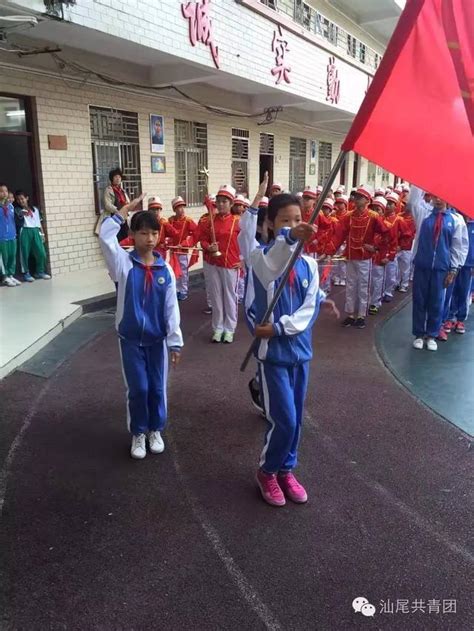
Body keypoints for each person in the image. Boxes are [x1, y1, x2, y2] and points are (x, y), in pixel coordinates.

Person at [242, 193, 323, 506]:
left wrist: (280, 327)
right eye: (285, 220)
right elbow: (252, 301)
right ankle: (267, 471)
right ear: (270, 225)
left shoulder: (311, 266)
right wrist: (290, 237)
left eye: (298, 219)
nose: (293, 224)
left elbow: (309, 310)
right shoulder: (261, 260)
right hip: (272, 357)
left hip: (301, 354)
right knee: (284, 420)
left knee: (297, 420)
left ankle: (286, 469)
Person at [99, 208, 183, 459]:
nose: (149, 238)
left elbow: (171, 309)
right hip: (131, 341)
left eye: (154, 233)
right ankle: (138, 432)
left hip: (157, 342)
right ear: (133, 235)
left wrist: (175, 342)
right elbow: (105, 238)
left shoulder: (165, 270)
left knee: (157, 388)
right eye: (143, 233)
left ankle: (155, 429)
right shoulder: (123, 264)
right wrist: (118, 215)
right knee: (138, 389)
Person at [408, 187, 468, 351]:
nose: (438, 199)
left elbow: (459, 246)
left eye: (442, 196)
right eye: (435, 196)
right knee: (420, 301)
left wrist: (454, 269)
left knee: (437, 302)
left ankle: (432, 334)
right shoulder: (424, 214)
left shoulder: (456, 220)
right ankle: (419, 334)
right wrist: (418, 181)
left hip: (441, 269)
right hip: (422, 266)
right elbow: (413, 201)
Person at [328, 186, 388, 329]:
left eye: (360, 197)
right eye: (356, 197)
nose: (356, 199)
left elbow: (387, 234)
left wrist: (375, 247)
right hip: (350, 256)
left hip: (364, 257)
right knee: (350, 285)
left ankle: (361, 315)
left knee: (363, 286)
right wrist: (329, 251)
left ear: (367, 200)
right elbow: (339, 235)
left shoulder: (374, 216)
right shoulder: (348, 216)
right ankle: (350, 314)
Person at [200, 184, 241, 343]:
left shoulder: (238, 221)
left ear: (231, 204)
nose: (222, 204)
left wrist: (243, 260)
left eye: (225, 201)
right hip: (212, 263)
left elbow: (248, 241)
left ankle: (229, 329)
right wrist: (207, 247)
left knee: (230, 296)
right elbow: (202, 239)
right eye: (219, 201)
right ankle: (217, 328)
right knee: (216, 296)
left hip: (230, 263)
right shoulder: (209, 220)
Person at [441, 213, 474, 335]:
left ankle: (460, 319)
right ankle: (449, 317)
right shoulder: (455, 221)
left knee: (464, 292)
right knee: (450, 291)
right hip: (454, 264)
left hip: (468, 265)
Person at [14, 191, 51, 282]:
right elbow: (19, 216)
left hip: (35, 230)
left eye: (22, 198)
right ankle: (26, 273)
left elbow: (39, 223)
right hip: (25, 230)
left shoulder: (35, 209)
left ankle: (40, 271)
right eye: (18, 199)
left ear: (27, 198)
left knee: (41, 252)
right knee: (24, 253)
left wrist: (42, 233)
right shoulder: (17, 209)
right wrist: (22, 213)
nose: (20, 201)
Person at [168, 196, 198, 301]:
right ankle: (176, 290)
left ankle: (184, 291)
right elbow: (168, 234)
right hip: (173, 251)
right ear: (174, 209)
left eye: (182, 207)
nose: (181, 209)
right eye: (178, 207)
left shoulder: (188, 220)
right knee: (174, 271)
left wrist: (185, 243)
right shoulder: (170, 220)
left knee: (183, 271)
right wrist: (168, 242)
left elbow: (196, 233)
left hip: (183, 251)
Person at [102, 168, 145, 241]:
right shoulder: (108, 190)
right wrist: (119, 211)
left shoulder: (122, 191)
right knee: (116, 238)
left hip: (124, 218)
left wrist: (129, 208)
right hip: (114, 218)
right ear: (112, 179)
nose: (118, 179)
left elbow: (127, 203)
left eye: (119, 177)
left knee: (126, 238)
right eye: (115, 177)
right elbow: (107, 205)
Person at [394, 192, 416, 293]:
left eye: (408, 204)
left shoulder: (414, 219)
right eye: (405, 204)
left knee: (405, 267)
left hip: (406, 247)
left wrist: (402, 246)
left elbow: (410, 235)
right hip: (397, 246)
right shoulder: (398, 216)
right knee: (396, 267)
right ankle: (396, 283)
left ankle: (404, 284)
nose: (407, 206)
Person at [0, 182, 20, 287]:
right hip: (2, 237)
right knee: (4, 258)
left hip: (12, 236)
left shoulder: (11, 206)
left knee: (12, 256)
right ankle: (4, 277)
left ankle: (11, 275)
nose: (4, 193)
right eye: (1, 191)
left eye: (6, 191)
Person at [331, 194, 349, 286]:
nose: (338, 205)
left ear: (345, 204)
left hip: (344, 242)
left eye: (341, 203)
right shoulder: (333, 214)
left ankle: (343, 278)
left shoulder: (348, 215)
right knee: (335, 260)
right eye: (337, 203)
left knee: (342, 261)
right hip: (335, 241)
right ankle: (336, 277)